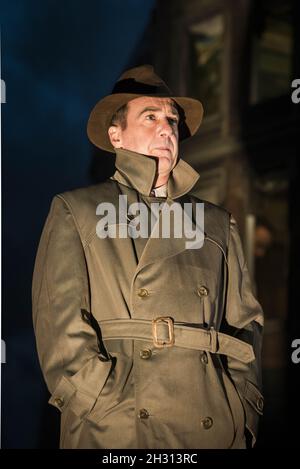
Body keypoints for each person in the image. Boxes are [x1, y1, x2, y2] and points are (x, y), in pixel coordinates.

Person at [32, 65, 264, 449]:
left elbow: (247, 323)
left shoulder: (217, 222)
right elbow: (58, 327)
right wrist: (98, 401)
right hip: (118, 428)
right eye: (151, 117)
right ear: (116, 134)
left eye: (172, 119)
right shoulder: (78, 210)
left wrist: (244, 407)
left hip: (211, 426)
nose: (167, 128)